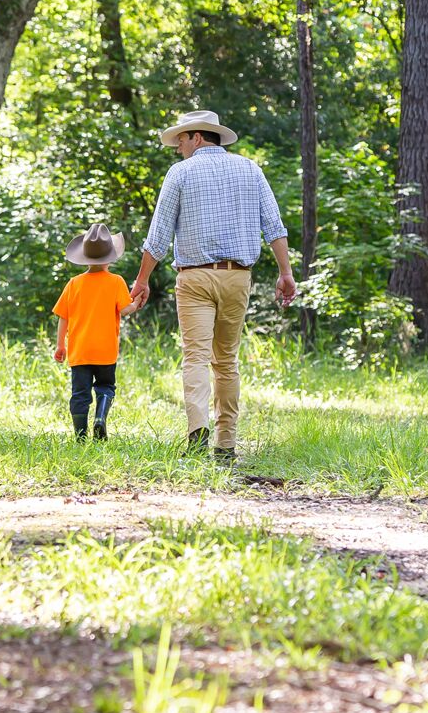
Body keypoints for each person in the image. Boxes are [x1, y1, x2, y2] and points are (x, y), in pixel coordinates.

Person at [129, 109, 295, 462]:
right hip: (237, 277)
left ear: (198, 137)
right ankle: (226, 443)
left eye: (181, 140)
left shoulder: (180, 173)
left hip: (194, 278)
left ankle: (197, 430)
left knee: (195, 357)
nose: (178, 148)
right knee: (226, 361)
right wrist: (286, 273)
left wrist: (142, 280)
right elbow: (274, 226)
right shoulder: (250, 169)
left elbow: (158, 235)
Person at [53, 222, 141, 441]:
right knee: (105, 386)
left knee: (80, 394)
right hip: (105, 350)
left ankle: (80, 436)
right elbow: (125, 309)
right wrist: (136, 303)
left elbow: (63, 316)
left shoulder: (74, 284)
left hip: (80, 351)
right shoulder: (116, 281)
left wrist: (60, 345)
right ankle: (100, 418)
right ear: (110, 257)